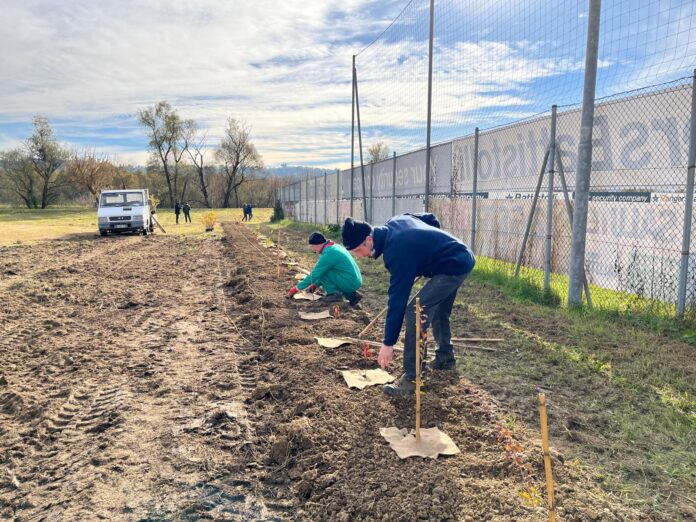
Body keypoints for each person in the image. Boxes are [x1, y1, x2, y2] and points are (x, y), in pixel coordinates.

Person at [342, 213, 475, 397]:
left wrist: (389, 343)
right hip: (459, 255)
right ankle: (445, 358)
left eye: (357, 251)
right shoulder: (394, 221)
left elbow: (397, 299)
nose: (358, 256)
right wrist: (424, 251)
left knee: (415, 312)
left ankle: (413, 377)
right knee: (438, 313)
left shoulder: (396, 252)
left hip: (452, 266)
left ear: (369, 240)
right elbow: (431, 219)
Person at [287, 231, 363, 307]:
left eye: (313, 246)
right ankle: (352, 296)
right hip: (353, 280)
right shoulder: (335, 247)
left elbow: (315, 274)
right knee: (326, 271)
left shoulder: (329, 253)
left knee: (323, 271)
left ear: (317, 245)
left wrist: (296, 288)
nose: (314, 250)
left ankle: (333, 294)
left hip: (350, 282)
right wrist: (315, 285)